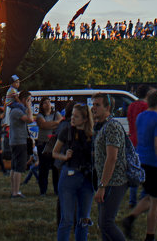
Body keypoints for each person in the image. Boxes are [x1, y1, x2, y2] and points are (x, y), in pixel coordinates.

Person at [123, 89, 157, 240]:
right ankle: (150, 235)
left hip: (141, 159)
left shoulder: (141, 117)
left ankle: (130, 218)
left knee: (149, 196)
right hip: (154, 163)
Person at [53, 103, 95, 241]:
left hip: (87, 177)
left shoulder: (92, 135)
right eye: (72, 116)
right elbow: (55, 152)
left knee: (83, 219)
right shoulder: (67, 131)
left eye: (76, 116)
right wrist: (64, 156)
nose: (72, 119)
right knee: (67, 219)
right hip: (69, 174)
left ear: (85, 119)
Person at [92, 93, 131, 241]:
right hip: (105, 180)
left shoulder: (112, 126)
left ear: (107, 107)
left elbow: (112, 157)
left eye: (98, 105)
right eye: (93, 104)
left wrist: (103, 185)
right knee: (103, 224)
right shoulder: (101, 126)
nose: (93, 108)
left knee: (106, 223)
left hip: (114, 181)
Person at [7, 90, 34, 198]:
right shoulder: (17, 111)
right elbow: (30, 119)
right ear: (24, 100)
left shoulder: (14, 110)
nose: (30, 103)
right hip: (19, 141)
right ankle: (16, 192)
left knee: (14, 167)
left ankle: (14, 190)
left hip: (15, 141)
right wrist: (29, 108)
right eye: (29, 100)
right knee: (18, 167)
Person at [34, 97, 63, 197]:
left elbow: (61, 124)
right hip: (43, 143)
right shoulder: (39, 116)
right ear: (41, 105)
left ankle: (57, 190)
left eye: (48, 102)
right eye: (44, 103)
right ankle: (43, 190)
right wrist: (55, 124)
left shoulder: (56, 114)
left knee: (56, 168)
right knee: (44, 168)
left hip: (55, 144)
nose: (47, 104)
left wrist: (52, 124)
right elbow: (43, 125)